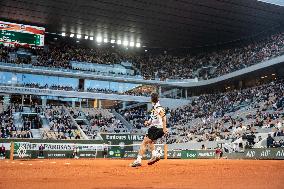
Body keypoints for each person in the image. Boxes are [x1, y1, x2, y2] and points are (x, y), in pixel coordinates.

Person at [130, 92, 167, 167]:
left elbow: (164, 118)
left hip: (155, 128)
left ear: (151, 100)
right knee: (150, 142)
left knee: (144, 142)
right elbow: (154, 119)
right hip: (158, 128)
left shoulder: (158, 108)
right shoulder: (156, 108)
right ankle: (155, 155)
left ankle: (138, 160)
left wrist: (164, 128)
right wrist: (148, 122)